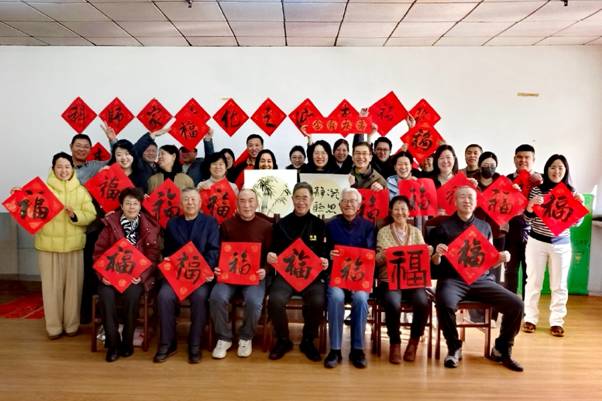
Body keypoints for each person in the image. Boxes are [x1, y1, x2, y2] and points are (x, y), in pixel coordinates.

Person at [428, 186, 524, 371]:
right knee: (445, 303)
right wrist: (437, 254)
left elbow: (489, 262)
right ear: (455, 201)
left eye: (470, 197)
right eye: (462, 197)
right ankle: (454, 347)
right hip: (452, 279)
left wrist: (501, 258)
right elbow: (434, 264)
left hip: (481, 280)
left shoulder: (484, 226)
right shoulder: (443, 227)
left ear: (476, 201)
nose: (466, 200)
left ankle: (502, 349)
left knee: (516, 304)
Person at [32, 152, 96, 339]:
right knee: (51, 290)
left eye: (67, 166)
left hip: (74, 247)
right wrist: (19, 195)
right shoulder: (42, 190)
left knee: (73, 290)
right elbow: (27, 209)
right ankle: (53, 328)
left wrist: (75, 215)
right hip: (48, 247)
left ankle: (71, 326)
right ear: (53, 168)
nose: (64, 170)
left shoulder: (81, 190)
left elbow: (91, 214)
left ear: (72, 168)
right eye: (59, 167)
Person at [93, 188, 160, 362]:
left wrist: (142, 275)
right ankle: (113, 344)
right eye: (128, 203)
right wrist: (103, 276)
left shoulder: (148, 227)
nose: (131, 207)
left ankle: (127, 341)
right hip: (111, 276)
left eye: (135, 203)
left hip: (135, 277)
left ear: (140, 206)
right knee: (106, 297)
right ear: (121, 206)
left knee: (132, 297)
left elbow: (153, 256)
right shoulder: (110, 225)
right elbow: (98, 253)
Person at [154, 188, 219, 364]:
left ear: (200, 203)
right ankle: (168, 343)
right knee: (164, 296)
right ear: (181, 204)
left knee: (200, 296)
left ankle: (195, 344)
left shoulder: (210, 223)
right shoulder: (172, 224)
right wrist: (167, 259)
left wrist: (206, 270)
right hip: (178, 274)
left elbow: (214, 251)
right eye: (186, 199)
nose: (190, 202)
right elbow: (168, 251)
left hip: (199, 275)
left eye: (193, 199)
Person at [266, 182, 329, 361]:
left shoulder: (319, 224)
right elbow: (274, 250)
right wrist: (271, 255)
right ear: (292, 199)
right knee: (275, 299)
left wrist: (325, 261)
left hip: (311, 276)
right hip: (286, 275)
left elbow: (324, 253)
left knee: (318, 300)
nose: (301, 202)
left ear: (312, 200)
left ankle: (308, 340)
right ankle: (283, 339)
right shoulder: (282, 224)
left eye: (305, 198)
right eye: (298, 198)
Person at [522, 155, 582, 338]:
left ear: (566, 171)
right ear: (547, 169)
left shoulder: (571, 192)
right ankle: (530, 318)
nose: (556, 171)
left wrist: (579, 205)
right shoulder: (537, 190)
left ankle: (557, 321)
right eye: (553, 167)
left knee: (559, 284)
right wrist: (531, 204)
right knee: (533, 282)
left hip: (561, 245)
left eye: (560, 168)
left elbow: (576, 223)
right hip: (536, 242)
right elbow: (527, 219)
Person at [209, 189, 273, 359]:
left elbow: (271, 255)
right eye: (242, 201)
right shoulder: (226, 225)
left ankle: (246, 337)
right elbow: (219, 252)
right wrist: (217, 267)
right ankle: (224, 338)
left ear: (256, 203)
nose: (247, 205)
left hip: (254, 276)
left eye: (251, 200)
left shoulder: (266, 227)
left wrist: (265, 270)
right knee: (216, 297)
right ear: (237, 204)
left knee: (254, 301)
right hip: (229, 276)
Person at [375, 195, 432, 363]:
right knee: (393, 303)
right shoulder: (383, 232)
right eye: (396, 209)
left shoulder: (416, 232)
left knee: (422, 302)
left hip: (413, 281)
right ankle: (395, 342)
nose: (400, 212)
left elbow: (423, 258)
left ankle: (414, 342)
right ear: (391, 211)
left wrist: (428, 252)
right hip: (389, 280)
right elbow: (377, 261)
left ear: (409, 212)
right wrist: (384, 255)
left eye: (403, 209)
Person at [323, 188, 375, 369]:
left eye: (352, 201)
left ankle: (357, 349)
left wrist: (356, 278)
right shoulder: (330, 225)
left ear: (359, 205)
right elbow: (322, 251)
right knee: (336, 297)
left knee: (360, 298)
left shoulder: (368, 226)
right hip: (337, 276)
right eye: (345, 201)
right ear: (339, 204)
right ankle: (335, 349)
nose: (348, 204)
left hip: (359, 278)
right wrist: (328, 254)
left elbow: (370, 255)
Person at [505, 144, 542, 296]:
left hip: (533, 232)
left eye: (527, 157)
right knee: (510, 271)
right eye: (519, 157)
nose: (523, 160)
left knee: (530, 272)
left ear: (534, 160)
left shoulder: (542, 180)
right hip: (511, 230)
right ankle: (510, 304)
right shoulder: (507, 179)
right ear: (514, 159)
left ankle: (527, 306)